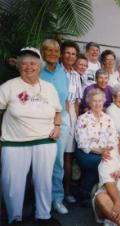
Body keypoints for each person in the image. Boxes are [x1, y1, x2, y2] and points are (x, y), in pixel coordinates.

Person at [0, 47, 61, 225]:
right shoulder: (9, 87)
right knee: (13, 184)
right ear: (19, 66)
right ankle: (15, 218)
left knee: (44, 182)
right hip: (15, 143)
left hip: (45, 140)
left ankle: (43, 216)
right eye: (24, 63)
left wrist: (57, 126)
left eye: (33, 63)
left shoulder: (49, 88)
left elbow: (58, 110)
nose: (29, 67)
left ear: (39, 66)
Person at [40, 39, 70, 214]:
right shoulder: (38, 71)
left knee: (58, 162)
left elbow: (65, 99)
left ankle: (57, 199)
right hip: (41, 123)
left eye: (56, 50)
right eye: (48, 50)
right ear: (43, 52)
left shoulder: (62, 73)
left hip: (61, 122)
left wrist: (65, 122)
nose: (52, 53)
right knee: (41, 163)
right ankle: (40, 199)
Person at [75, 89, 118, 204]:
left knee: (108, 163)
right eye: (94, 101)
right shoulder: (83, 119)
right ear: (89, 102)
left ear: (104, 102)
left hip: (105, 152)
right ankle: (86, 195)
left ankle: (88, 192)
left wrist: (107, 150)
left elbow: (113, 138)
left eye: (100, 101)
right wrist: (101, 152)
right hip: (86, 154)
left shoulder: (108, 118)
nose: (97, 104)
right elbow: (82, 143)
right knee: (103, 163)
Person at [60, 40, 83, 204]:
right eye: (67, 53)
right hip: (57, 115)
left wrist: (75, 122)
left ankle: (66, 192)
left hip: (72, 117)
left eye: (73, 54)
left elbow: (76, 101)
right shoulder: (55, 73)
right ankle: (52, 194)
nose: (70, 56)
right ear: (62, 54)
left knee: (68, 155)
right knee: (55, 157)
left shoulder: (76, 75)